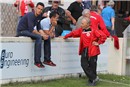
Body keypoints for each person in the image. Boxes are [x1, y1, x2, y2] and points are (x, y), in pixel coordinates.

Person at [63, 17, 107, 86]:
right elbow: (74, 33)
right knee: (83, 65)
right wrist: (65, 36)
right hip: (84, 50)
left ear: (88, 24)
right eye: (81, 23)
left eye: (83, 23)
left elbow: (103, 36)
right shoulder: (81, 30)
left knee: (92, 66)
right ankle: (94, 78)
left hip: (93, 51)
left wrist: (98, 43)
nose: (81, 25)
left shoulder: (94, 30)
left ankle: (92, 80)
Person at [17, 2, 56, 68]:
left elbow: (39, 28)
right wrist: (42, 35)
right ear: (35, 8)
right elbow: (32, 30)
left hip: (28, 31)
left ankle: (47, 59)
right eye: (38, 8)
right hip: (21, 31)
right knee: (39, 37)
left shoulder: (39, 16)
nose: (39, 10)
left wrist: (44, 35)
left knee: (47, 37)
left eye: (41, 9)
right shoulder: (31, 15)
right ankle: (37, 61)